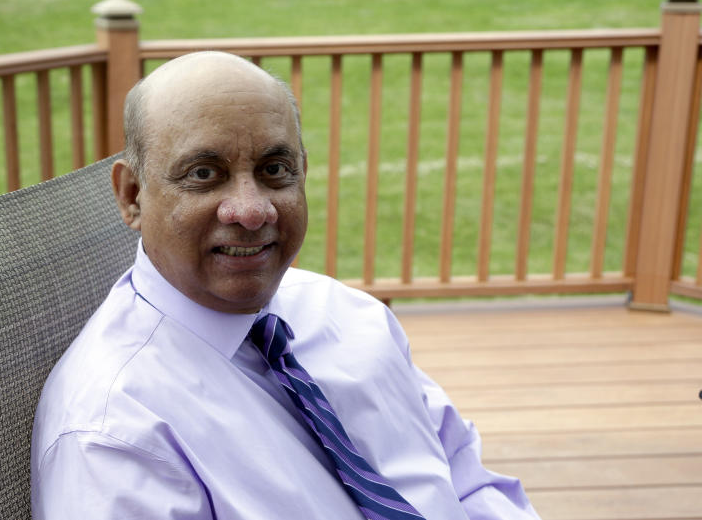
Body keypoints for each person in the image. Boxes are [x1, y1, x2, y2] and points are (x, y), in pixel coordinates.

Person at [31, 51, 539, 519]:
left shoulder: (347, 315)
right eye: (204, 174)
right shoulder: (116, 431)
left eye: (275, 170)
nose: (252, 211)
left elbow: (465, 479)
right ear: (133, 196)